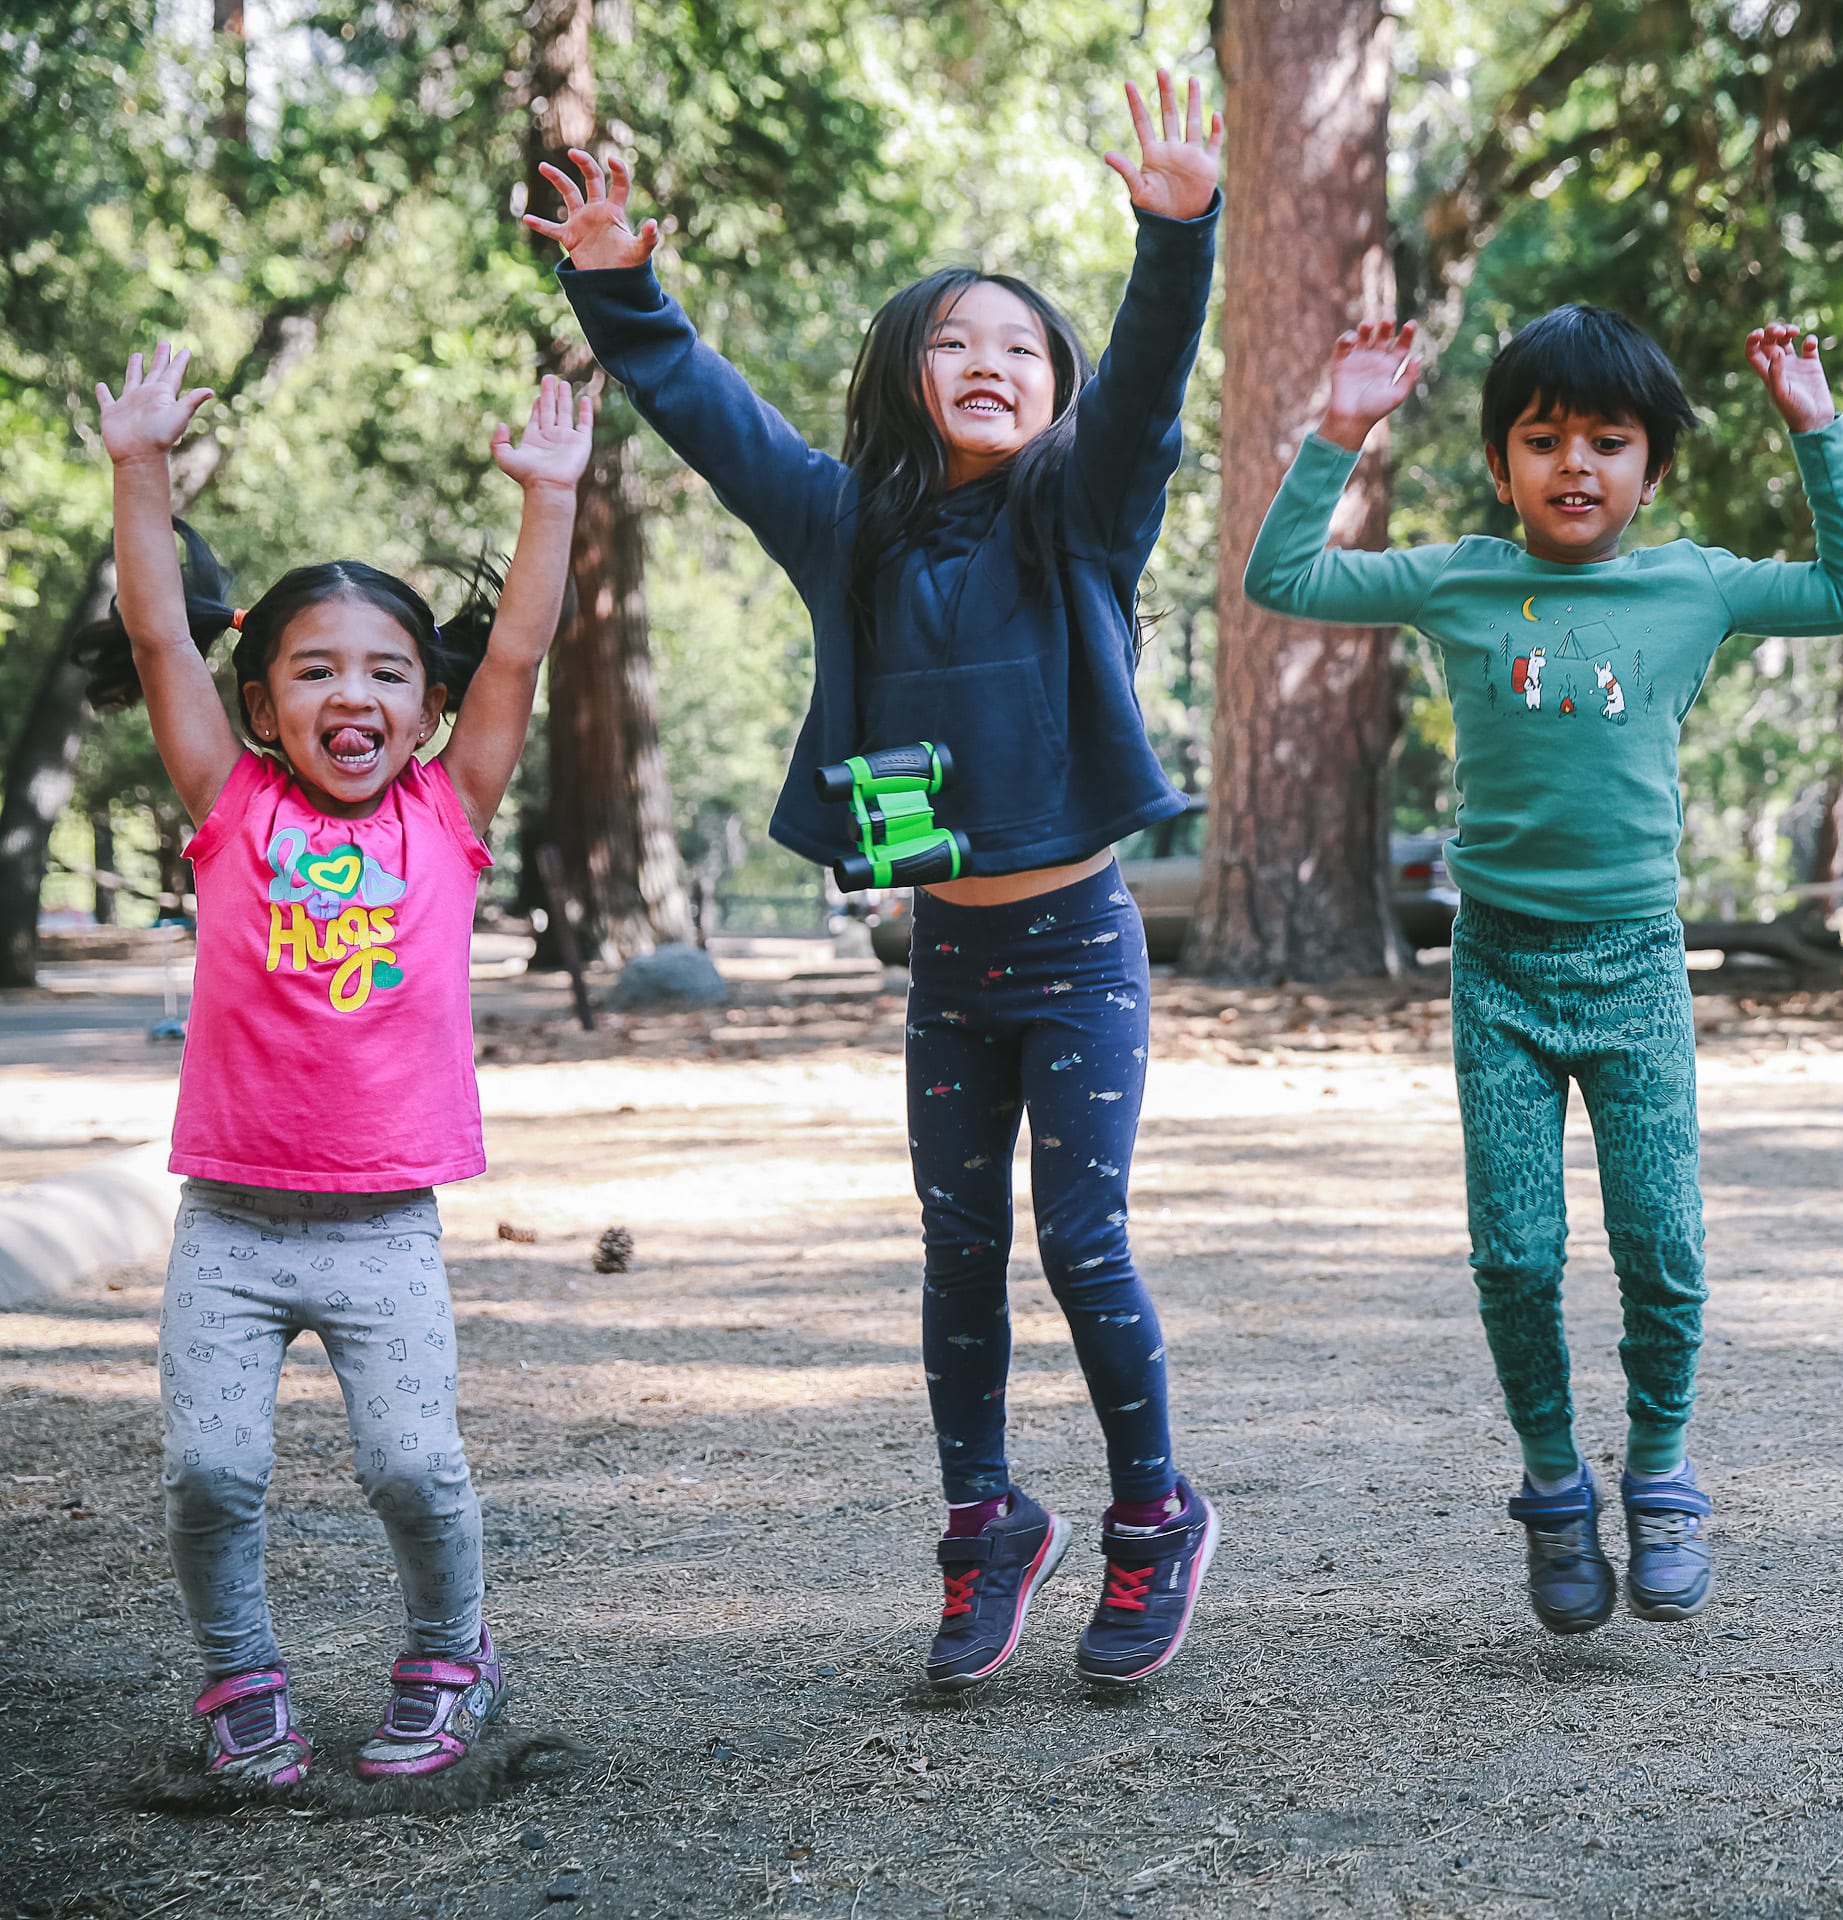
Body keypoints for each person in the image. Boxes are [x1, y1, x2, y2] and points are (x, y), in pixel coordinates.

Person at [523, 73, 1223, 1690]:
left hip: (1078, 945)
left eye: (1021, 351)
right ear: (904, 376)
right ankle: (986, 1525)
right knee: (955, 1254)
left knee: (1084, 1246)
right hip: (949, 968)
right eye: (955, 343)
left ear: (1053, 394)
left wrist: (1174, 238)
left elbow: (1144, 394)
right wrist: (621, 286)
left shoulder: (1081, 517)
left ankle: (1151, 1517)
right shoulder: (842, 526)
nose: (990, 366)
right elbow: (709, 411)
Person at [1243, 307, 1843, 1633]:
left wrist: (1817, 425)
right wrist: (1340, 430)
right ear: (1501, 465)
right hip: (1501, 972)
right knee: (1516, 1252)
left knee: (1660, 1240)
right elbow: (1284, 581)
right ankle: (1553, 1487)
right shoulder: (1462, 581)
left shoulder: (1691, 586)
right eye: (1542, 440)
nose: (1576, 464)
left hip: (1638, 967)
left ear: (1653, 467)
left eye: (1609, 440)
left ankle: (1659, 1473)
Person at [85, 347, 593, 1783]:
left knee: (413, 1467)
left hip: (384, 1222)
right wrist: (141, 471)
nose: (351, 693)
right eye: (314, 670)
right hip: (231, 1223)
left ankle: (453, 1654)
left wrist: (548, 499)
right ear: (262, 705)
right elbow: (160, 644)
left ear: (424, 709)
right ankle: (238, 1681)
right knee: (207, 1472)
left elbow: (516, 652)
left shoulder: (446, 810)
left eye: (385, 671)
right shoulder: (228, 803)